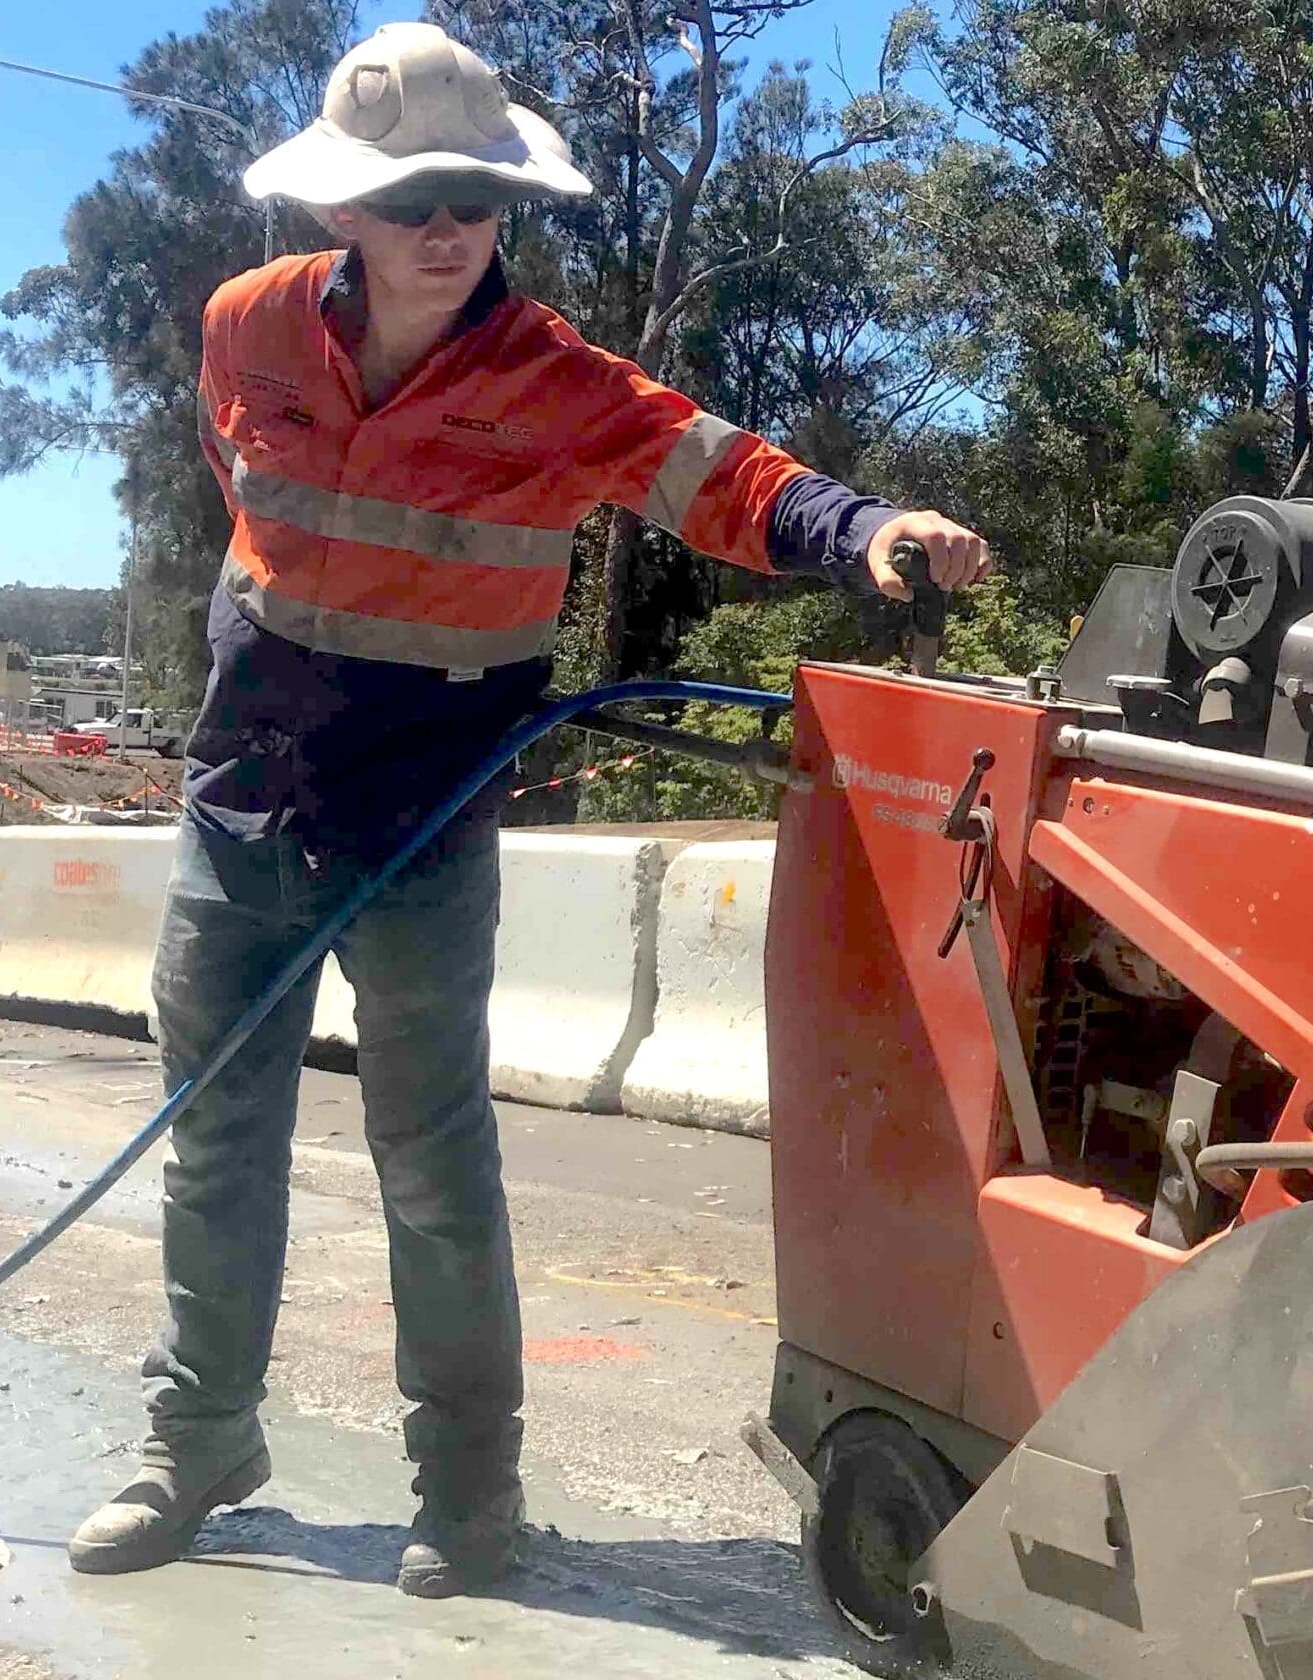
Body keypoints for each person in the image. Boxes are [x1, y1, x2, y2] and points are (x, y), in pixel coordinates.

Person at [67, 22, 989, 1598]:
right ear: (343, 208)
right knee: (218, 1147)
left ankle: (468, 1489)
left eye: (474, 200)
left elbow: (727, 477)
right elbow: (264, 546)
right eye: (412, 195)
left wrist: (870, 528)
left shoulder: (558, 385)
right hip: (243, 805)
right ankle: (198, 1438)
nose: (444, 228)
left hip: (424, 828)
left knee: (433, 1164)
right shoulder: (248, 331)